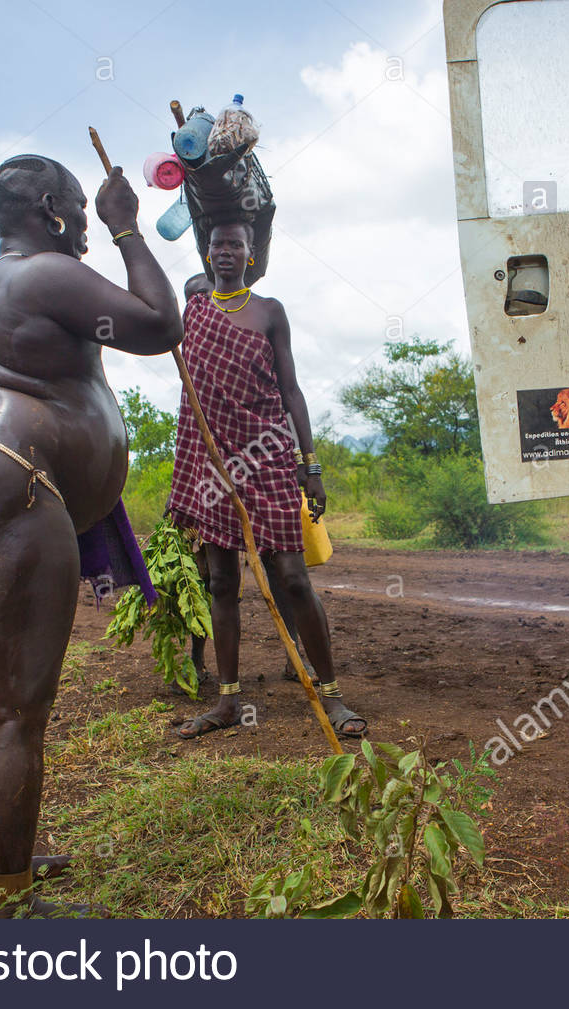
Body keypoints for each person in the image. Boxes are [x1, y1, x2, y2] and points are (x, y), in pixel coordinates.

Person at [0, 156, 183, 916]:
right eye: (77, 209)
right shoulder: (44, 273)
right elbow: (157, 323)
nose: (82, 224)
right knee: (16, 712)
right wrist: (125, 227)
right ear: (51, 209)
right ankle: (13, 903)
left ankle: (0, 869)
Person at [167, 221, 365, 739]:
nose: (226, 252)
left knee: (295, 579)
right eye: (217, 245)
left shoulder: (271, 312)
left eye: (236, 245)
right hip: (214, 464)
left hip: (269, 457)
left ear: (251, 255)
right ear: (207, 255)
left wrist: (311, 463)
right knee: (222, 582)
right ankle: (227, 701)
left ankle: (332, 694)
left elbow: (292, 391)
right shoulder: (194, 311)